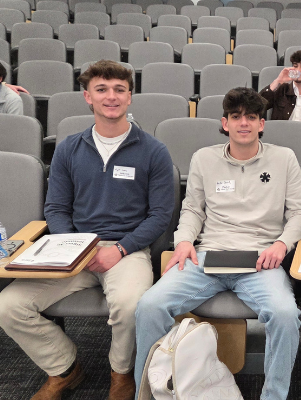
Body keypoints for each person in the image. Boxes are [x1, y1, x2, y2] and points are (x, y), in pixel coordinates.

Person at [0, 60, 174, 400]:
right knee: (8, 306)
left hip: (126, 249)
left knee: (131, 305)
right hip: (73, 249)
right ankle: (64, 369)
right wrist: (75, 246)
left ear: (130, 97)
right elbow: (55, 208)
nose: (111, 97)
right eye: (102, 89)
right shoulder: (68, 148)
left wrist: (120, 249)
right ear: (87, 97)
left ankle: (121, 374)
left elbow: (160, 216)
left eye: (119, 90)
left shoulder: (153, 151)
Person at [134, 87, 301, 399]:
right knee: (149, 306)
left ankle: (274, 396)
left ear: (261, 124)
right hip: (207, 256)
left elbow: (299, 212)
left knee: (285, 315)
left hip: (260, 259)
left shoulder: (284, 158)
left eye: (251, 117)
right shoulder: (204, 158)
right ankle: (146, 394)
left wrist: (282, 244)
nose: (244, 123)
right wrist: (184, 241)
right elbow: (192, 209)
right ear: (225, 123)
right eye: (236, 117)